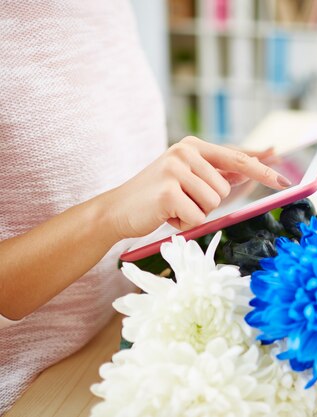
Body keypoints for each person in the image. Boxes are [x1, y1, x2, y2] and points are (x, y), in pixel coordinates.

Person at [0, 2, 290, 413]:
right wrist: (112, 214)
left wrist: (184, 187)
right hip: (43, 389)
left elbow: (106, 166)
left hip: (134, 336)